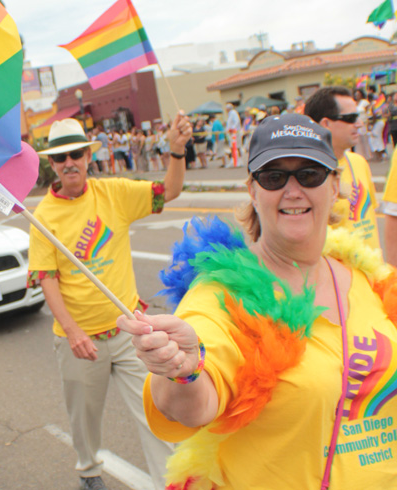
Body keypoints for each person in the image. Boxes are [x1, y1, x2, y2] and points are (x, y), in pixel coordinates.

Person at [118, 113, 397, 489]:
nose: (293, 190)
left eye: (310, 174)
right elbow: (195, 403)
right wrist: (182, 368)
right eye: (274, 177)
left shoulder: (366, 276)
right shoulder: (223, 295)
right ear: (252, 189)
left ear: (334, 186)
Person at [28, 116, 190, 490]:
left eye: (77, 154)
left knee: (155, 410)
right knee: (85, 418)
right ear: (51, 164)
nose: (70, 162)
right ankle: (88, 470)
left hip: (129, 332)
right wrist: (72, 332)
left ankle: (171, 482)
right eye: (60, 157)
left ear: (89, 156)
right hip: (80, 341)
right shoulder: (43, 217)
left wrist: (177, 150)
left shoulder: (114, 193)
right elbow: (46, 279)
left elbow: (170, 190)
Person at [305, 86, 381, 252]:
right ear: (325, 124)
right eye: (351, 118)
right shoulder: (307, 177)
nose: (359, 124)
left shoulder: (359, 162)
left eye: (358, 116)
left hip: (374, 275)